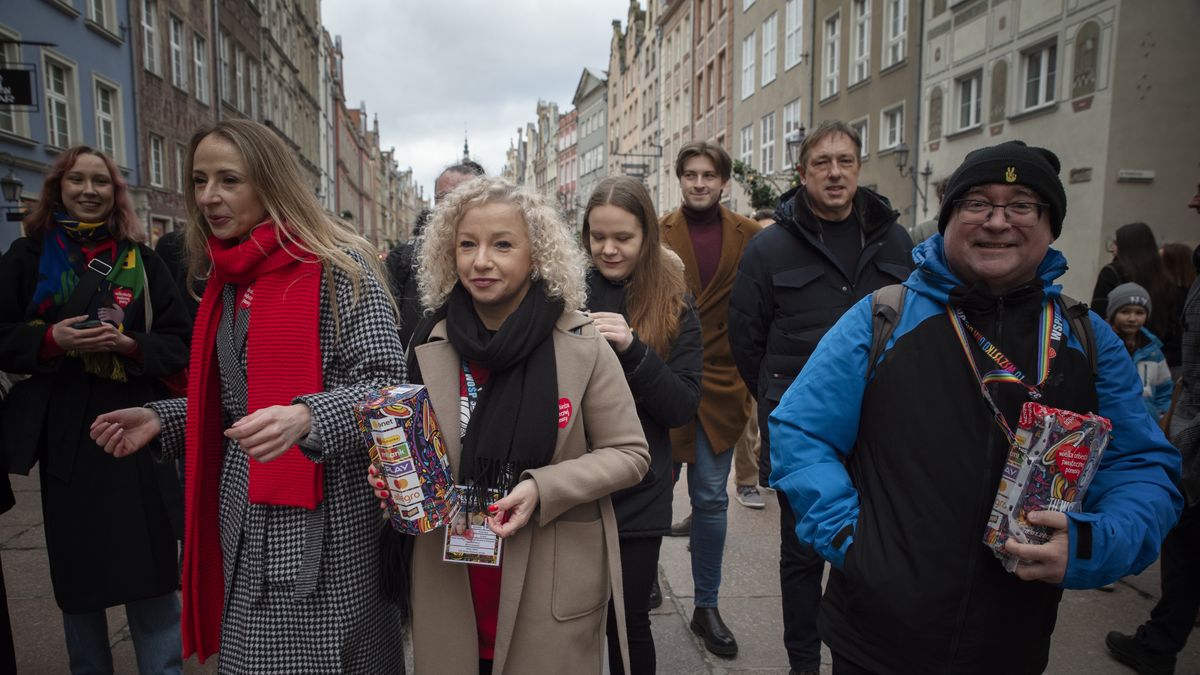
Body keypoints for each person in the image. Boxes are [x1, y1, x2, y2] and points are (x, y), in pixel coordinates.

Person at [769, 140, 1182, 674]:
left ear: (1050, 224)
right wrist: (852, 539)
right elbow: (802, 433)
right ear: (949, 218)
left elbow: (1142, 468)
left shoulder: (1086, 337)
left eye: (1021, 205)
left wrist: (1090, 543)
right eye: (977, 204)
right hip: (876, 639)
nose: (997, 221)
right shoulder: (883, 318)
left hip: (1012, 642)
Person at [89, 119, 407, 672]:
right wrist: (164, 418)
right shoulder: (226, 278)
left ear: (270, 183)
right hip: (245, 512)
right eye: (199, 180)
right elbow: (237, 405)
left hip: (329, 524)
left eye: (229, 180)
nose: (209, 197)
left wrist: (307, 417)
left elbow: (387, 391)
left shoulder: (341, 270)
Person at [389, 176, 649, 674]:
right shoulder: (429, 340)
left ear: (538, 255)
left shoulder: (580, 342)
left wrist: (542, 487)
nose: (481, 261)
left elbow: (630, 453)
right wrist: (396, 479)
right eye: (468, 244)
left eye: (502, 244)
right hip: (449, 577)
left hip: (546, 577)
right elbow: (415, 449)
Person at [728, 120, 914, 675]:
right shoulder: (770, 248)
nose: (835, 173)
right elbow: (747, 340)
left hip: (885, 427)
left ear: (858, 167)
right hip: (804, 432)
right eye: (822, 163)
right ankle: (803, 663)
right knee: (803, 555)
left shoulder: (895, 241)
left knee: (874, 551)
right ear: (803, 173)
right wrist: (780, 397)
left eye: (846, 161)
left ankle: (856, 659)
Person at [0, 145, 190, 673]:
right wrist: (50, 341)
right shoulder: (27, 258)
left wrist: (131, 347)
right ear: (58, 187)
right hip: (67, 433)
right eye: (77, 180)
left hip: (136, 427)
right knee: (79, 578)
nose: (89, 191)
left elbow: (181, 343)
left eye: (101, 182)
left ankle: (163, 668)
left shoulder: (143, 260)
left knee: (150, 570)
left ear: (116, 192)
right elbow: (2, 336)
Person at [583, 176, 702, 674]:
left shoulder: (673, 297)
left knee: (628, 622)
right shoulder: (559, 288)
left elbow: (681, 406)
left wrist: (634, 350)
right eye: (597, 236)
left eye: (623, 238)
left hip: (639, 487)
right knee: (568, 623)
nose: (608, 250)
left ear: (647, 236)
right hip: (572, 484)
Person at [659, 140, 761, 657]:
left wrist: (752, 372)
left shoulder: (749, 235)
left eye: (709, 175)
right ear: (680, 179)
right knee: (654, 492)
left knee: (712, 499)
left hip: (721, 382)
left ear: (724, 182)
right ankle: (645, 574)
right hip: (665, 380)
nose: (700, 183)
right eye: (691, 174)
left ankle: (707, 605)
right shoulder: (657, 231)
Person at [1106, 179, 1200, 675]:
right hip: (1174, 417)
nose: (1192, 199)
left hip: (1179, 423)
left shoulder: (1147, 353)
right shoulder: (1174, 282)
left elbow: (1170, 383)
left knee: (1180, 528)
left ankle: (1161, 640)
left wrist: (1172, 414)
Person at [386, 160, 485, 350]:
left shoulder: (497, 260)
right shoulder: (402, 260)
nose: (455, 206)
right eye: (446, 198)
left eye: (467, 197)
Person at [1091, 222, 1181, 367]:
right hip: (1156, 356)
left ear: (1126, 246)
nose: (1112, 248)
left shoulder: (1112, 272)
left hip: (1116, 355)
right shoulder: (1165, 278)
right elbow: (1173, 324)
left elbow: (1098, 317)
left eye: (1116, 243)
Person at [1106, 283, 1173, 419]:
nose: (1132, 319)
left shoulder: (1153, 351)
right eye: (1125, 312)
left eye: (1139, 312)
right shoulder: (1103, 346)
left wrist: (1159, 415)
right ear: (1112, 314)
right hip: (1112, 421)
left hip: (1147, 423)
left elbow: (1164, 390)